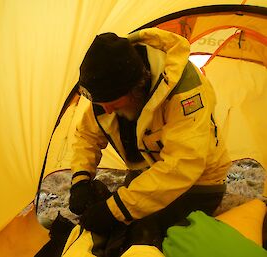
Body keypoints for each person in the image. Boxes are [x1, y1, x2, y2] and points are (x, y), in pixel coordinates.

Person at [68, 27, 232, 255]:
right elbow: (87, 135)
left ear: (136, 86)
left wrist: (116, 209)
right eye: (101, 103)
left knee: (141, 235)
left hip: (199, 183)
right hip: (146, 173)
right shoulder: (109, 89)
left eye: (112, 103)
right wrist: (81, 180)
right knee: (114, 226)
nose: (106, 109)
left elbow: (183, 165)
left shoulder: (185, 91)